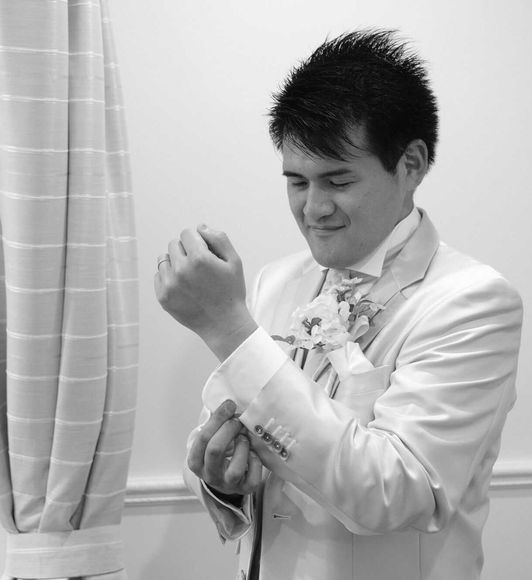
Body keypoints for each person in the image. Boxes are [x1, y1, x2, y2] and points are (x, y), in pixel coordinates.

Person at [154, 29, 523, 580]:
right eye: (297, 182)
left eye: (337, 180)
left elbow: (397, 492)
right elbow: (229, 434)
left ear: (412, 164)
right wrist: (219, 477)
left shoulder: (473, 302)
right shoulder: (275, 282)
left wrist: (227, 328)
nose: (313, 208)